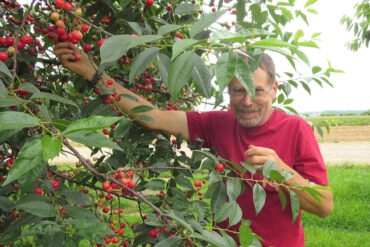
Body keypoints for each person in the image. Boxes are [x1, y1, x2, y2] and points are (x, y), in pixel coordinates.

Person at [53, 40, 333, 247]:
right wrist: (93, 73)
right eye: (238, 91)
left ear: (274, 89)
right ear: (228, 91)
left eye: (257, 91)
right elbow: (153, 117)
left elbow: (324, 207)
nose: (247, 102)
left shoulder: (297, 130)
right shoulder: (217, 124)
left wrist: (282, 170)